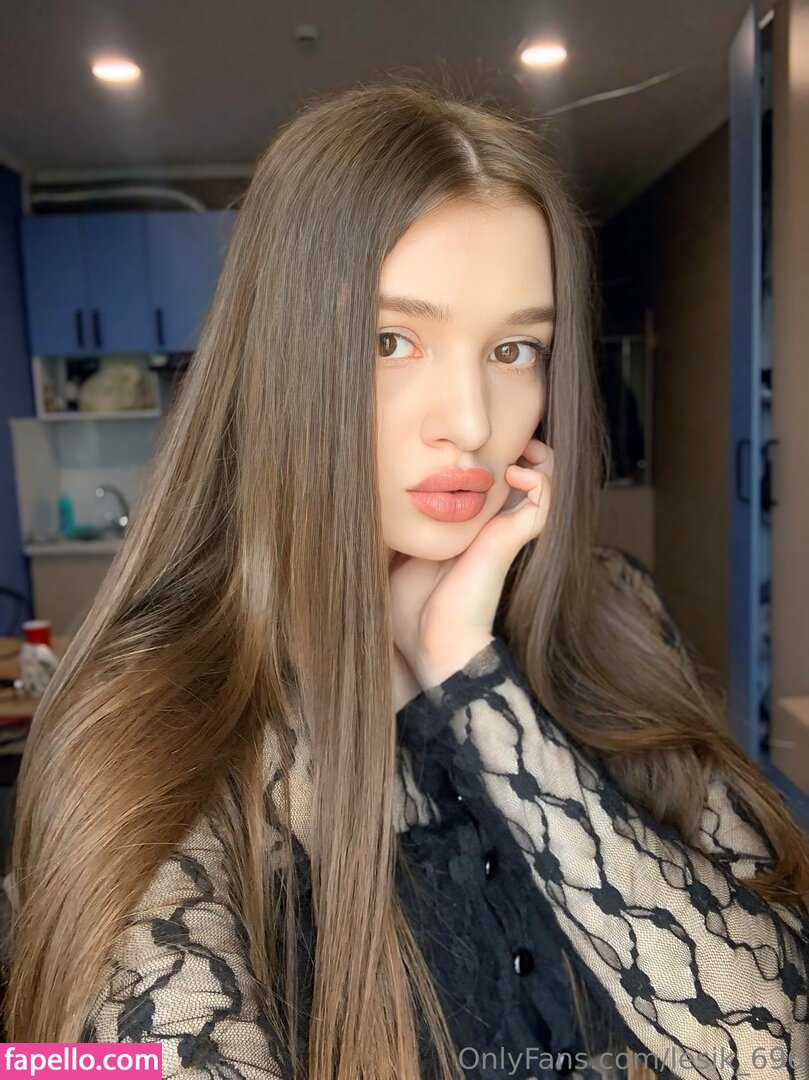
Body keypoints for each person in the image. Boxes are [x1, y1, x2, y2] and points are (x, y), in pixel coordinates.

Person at [2, 78, 808, 1080]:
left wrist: (471, 675)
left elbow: (777, 1048)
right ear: (280, 359)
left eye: (513, 349)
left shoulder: (609, 610)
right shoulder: (156, 715)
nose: (469, 421)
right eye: (390, 341)